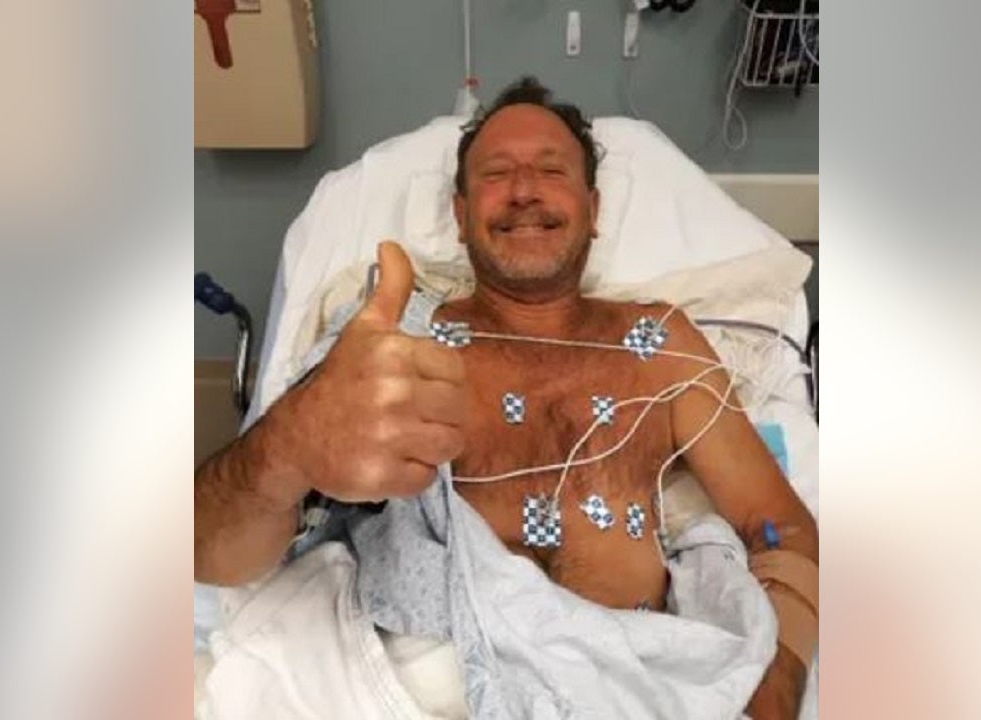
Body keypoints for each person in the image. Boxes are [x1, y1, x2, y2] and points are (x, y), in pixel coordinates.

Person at [195, 77, 818, 719]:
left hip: (626, 690)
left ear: (593, 209)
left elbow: (783, 527)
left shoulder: (660, 346)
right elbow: (207, 550)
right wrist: (286, 445)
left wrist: (778, 681)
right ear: (461, 215)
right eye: (497, 173)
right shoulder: (389, 341)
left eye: (551, 170)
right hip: (411, 690)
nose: (524, 190)